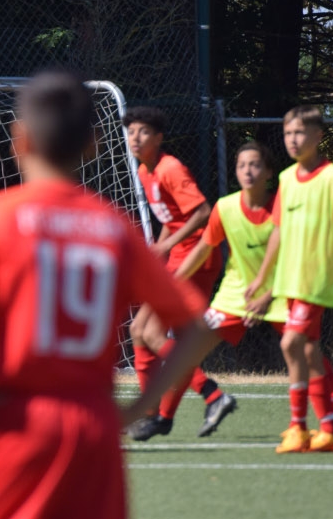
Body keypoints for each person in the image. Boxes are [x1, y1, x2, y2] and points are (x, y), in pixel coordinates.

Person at [0, 71, 217, 519]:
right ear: (93, 144)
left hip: (11, 421)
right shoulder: (114, 228)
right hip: (93, 429)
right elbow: (198, 328)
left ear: (19, 139)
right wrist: (139, 408)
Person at [174, 141, 333, 445]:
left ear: (269, 172)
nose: (247, 171)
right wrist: (171, 282)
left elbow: (295, 256)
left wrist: (269, 294)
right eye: (241, 165)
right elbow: (202, 250)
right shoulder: (225, 207)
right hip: (238, 294)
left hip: (283, 288)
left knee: (309, 354)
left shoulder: (285, 203)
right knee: (186, 349)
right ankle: (166, 415)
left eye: (255, 165)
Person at [245, 105, 333, 453]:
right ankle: (331, 429)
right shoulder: (285, 179)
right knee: (310, 352)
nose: (292, 139)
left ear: (318, 136)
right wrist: (263, 277)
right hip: (289, 281)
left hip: (317, 280)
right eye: (287, 133)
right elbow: (278, 232)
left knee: (290, 344)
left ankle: (298, 427)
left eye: (299, 132)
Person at [122, 106, 237, 441]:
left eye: (143, 132)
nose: (135, 138)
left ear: (159, 138)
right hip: (180, 256)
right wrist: (161, 248)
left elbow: (202, 212)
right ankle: (156, 415)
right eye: (131, 132)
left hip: (196, 258)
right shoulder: (145, 171)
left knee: (148, 331)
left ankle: (211, 394)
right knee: (142, 331)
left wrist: (167, 245)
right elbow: (172, 220)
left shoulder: (170, 168)